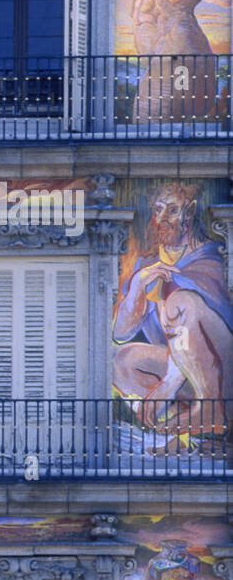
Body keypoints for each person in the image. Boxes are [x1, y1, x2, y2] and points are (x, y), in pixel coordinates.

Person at [113, 182, 233, 436]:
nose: (162, 219)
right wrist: (138, 285)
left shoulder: (210, 257)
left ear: (189, 213)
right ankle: (183, 415)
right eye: (157, 210)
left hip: (223, 370)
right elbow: (121, 332)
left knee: (180, 301)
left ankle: (211, 407)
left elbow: (197, 328)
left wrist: (169, 382)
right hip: (181, 370)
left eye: (172, 210)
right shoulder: (147, 262)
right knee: (120, 359)